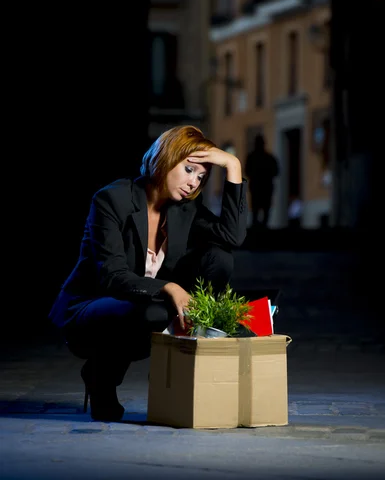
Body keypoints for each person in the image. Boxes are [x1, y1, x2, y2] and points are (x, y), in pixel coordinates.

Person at [48, 125, 247, 422]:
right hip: (92, 307)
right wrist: (171, 288)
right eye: (189, 169)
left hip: (145, 306)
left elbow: (231, 237)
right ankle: (101, 376)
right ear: (166, 159)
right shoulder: (111, 200)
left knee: (218, 259)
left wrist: (233, 165)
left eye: (201, 177)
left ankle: (185, 356)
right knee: (153, 313)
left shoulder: (184, 210)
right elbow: (113, 276)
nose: (193, 183)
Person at [244, 134, 279, 228]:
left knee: (262, 209)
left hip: (261, 187)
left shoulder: (257, 157)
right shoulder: (267, 158)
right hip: (260, 187)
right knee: (259, 209)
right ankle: (260, 227)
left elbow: (276, 171)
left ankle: (260, 227)